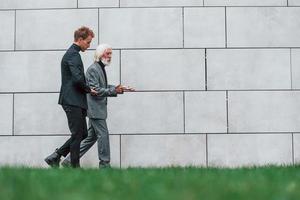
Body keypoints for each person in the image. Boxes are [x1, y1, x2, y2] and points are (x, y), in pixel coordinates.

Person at [61, 44, 134, 168]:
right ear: (100, 55)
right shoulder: (94, 69)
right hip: (95, 109)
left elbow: (102, 86)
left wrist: (117, 88)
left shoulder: (99, 68)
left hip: (96, 109)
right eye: (107, 53)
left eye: (111, 54)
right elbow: (95, 90)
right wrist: (114, 91)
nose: (110, 56)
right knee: (103, 135)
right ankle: (105, 165)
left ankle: (68, 161)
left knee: (90, 138)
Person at [44, 26, 98, 168]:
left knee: (82, 133)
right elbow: (77, 79)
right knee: (77, 134)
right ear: (79, 40)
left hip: (75, 100)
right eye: (87, 42)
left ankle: (55, 156)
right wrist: (89, 89)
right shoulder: (73, 55)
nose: (89, 45)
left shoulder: (74, 53)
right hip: (72, 100)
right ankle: (74, 167)